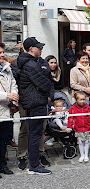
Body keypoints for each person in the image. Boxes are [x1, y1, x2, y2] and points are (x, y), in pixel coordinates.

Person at [16, 37, 53, 175]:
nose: (41, 49)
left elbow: (44, 81)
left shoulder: (30, 62)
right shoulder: (31, 65)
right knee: (35, 134)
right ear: (31, 49)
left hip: (34, 101)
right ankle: (34, 165)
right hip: (35, 102)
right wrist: (43, 81)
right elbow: (46, 83)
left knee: (35, 134)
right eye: (38, 47)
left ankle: (34, 164)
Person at [0, 42, 19, 176]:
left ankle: (2, 164)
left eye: (2, 52)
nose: (2, 55)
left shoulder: (6, 67)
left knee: (3, 140)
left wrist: (13, 96)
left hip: (5, 110)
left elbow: (13, 83)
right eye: (0, 53)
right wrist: (7, 95)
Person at [66, 91, 90, 163]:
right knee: (80, 142)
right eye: (80, 99)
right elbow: (70, 118)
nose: (82, 101)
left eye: (84, 99)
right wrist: (69, 127)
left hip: (86, 127)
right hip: (78, 128)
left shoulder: (87, 107)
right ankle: (82, 155)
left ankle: (86, 155)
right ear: (76, 100)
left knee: (87, 142)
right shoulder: (73, 108)